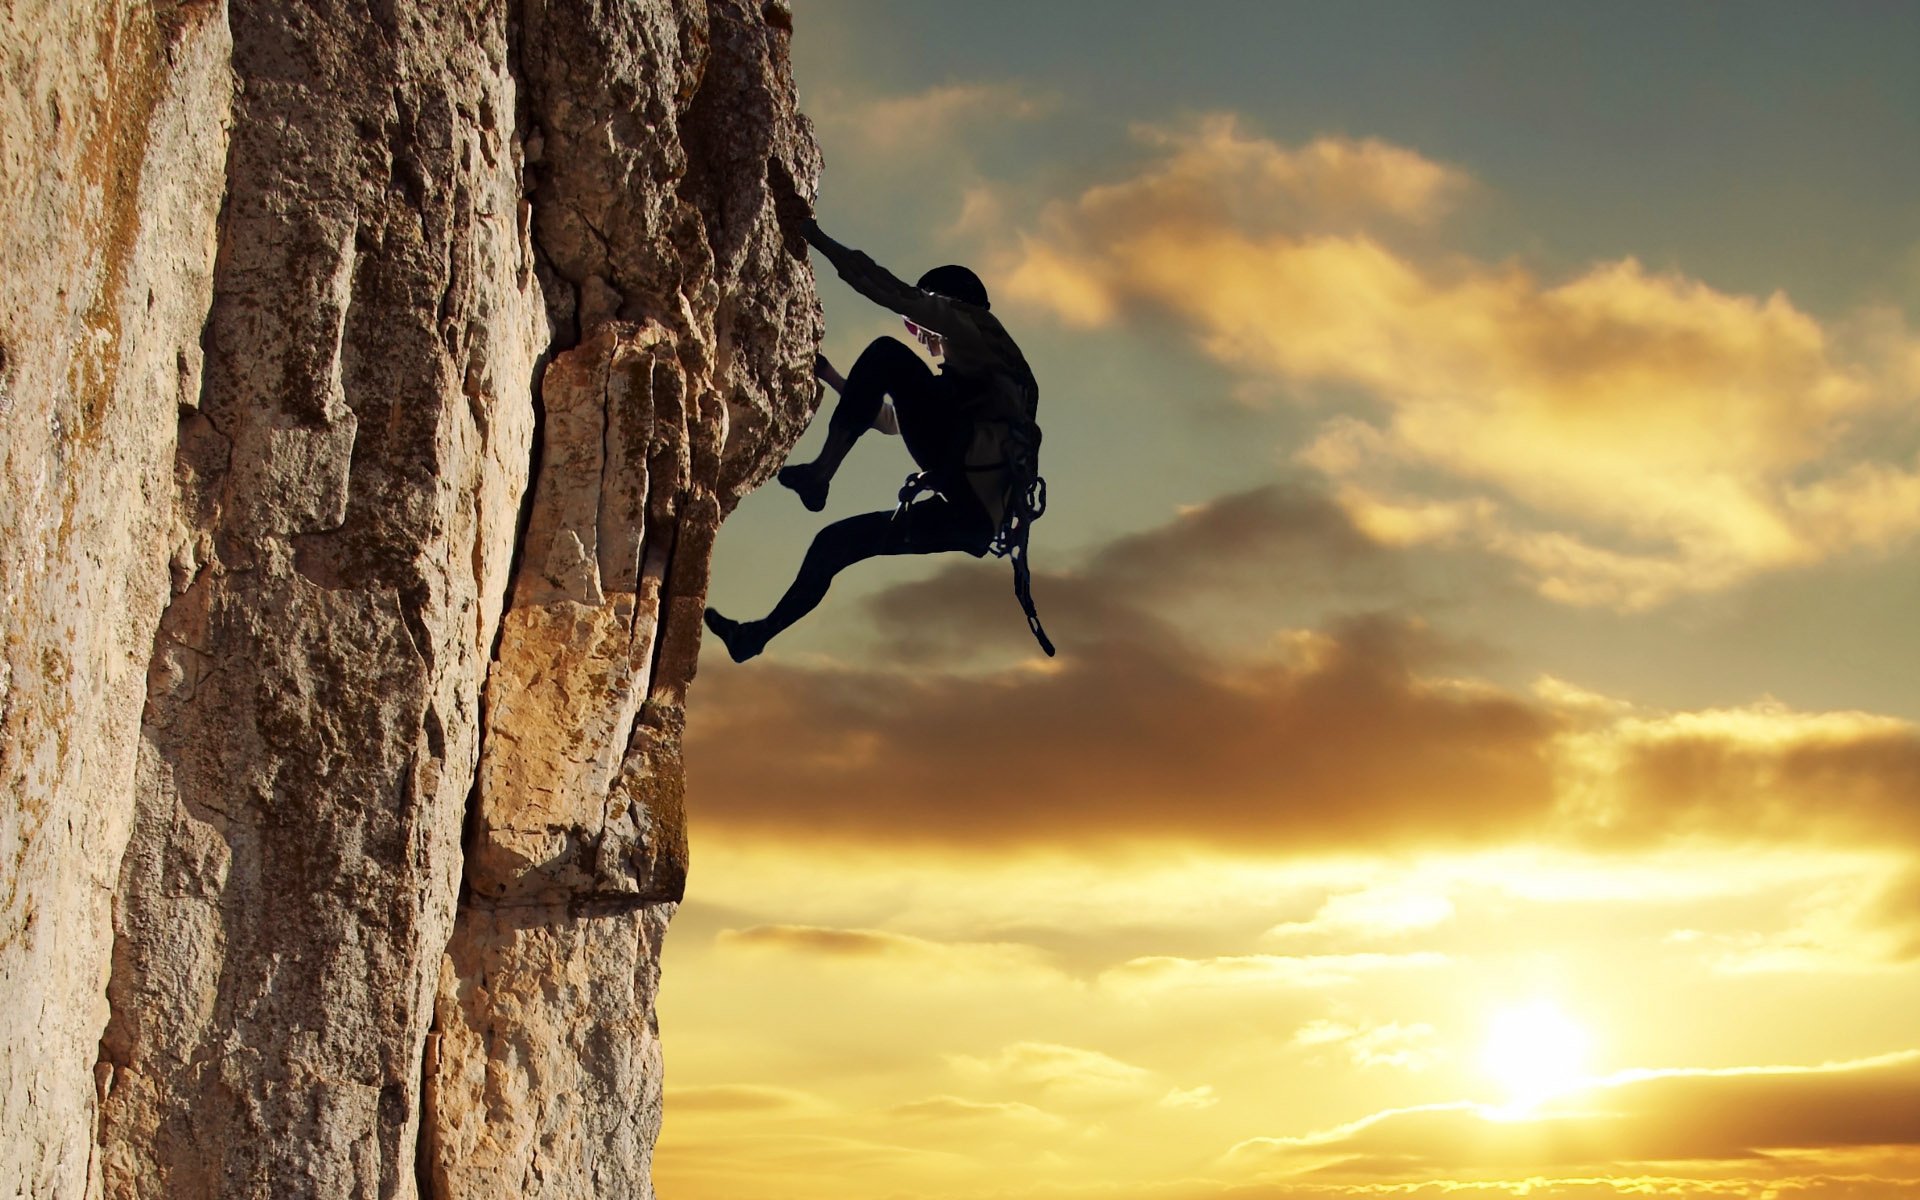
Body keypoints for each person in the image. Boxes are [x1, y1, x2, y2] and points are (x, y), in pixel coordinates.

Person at [703, 215, 1052, 662]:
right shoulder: (991, 373)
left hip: (962, 482)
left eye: (919, 324)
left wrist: (813, 235)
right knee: (834, 543)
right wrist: (832, 376)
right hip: (972, 519)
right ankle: (754, 637)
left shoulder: (970, 325)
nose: (920, 336)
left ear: (942, 306)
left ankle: (821, 474)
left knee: (886, 354)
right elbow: (891, 422)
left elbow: (884, 287)